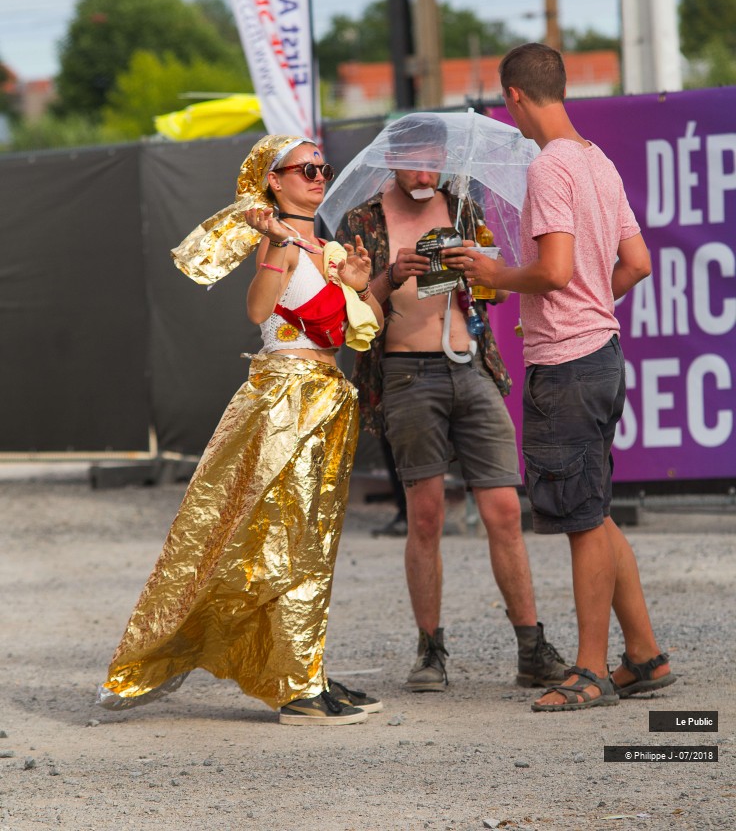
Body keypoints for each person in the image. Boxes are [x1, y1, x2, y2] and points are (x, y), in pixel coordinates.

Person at [97, 134, 384, 726]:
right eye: (304, 167)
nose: (317, 174)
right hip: (287, 400)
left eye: (321, 166)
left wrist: (357, 282)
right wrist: (286, 251)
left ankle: (303, 669)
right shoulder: (276, 240)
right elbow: (267, 311)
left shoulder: (322, 246)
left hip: (322, 398)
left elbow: (364, 325)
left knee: (310, 540)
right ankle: (296, 685)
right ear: (273, 180)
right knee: (281, 541)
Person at [445, 43, 676, 711]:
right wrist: (582, 306)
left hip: (569, 367)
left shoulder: (547, 166)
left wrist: (494, 276)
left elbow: (551, 270)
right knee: (594, 509)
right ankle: (645, 657)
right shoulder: (597, 162)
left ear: (513, 96)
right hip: (602, 354)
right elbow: (636, 263)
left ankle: (589, 670)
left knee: (580, 519)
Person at [335, 114, 566, 694]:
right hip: (407, 371)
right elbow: (350, 314)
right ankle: (431, 649)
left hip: (469, 363)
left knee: (506, 512)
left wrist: (481, 274)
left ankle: (531, 647)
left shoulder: (460, 206)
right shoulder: (362, 219)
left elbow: (492, 286)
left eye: (435, 163)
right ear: (392, 159)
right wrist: (390, 276)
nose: (425, 173)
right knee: (427, 515)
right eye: (415, 162)